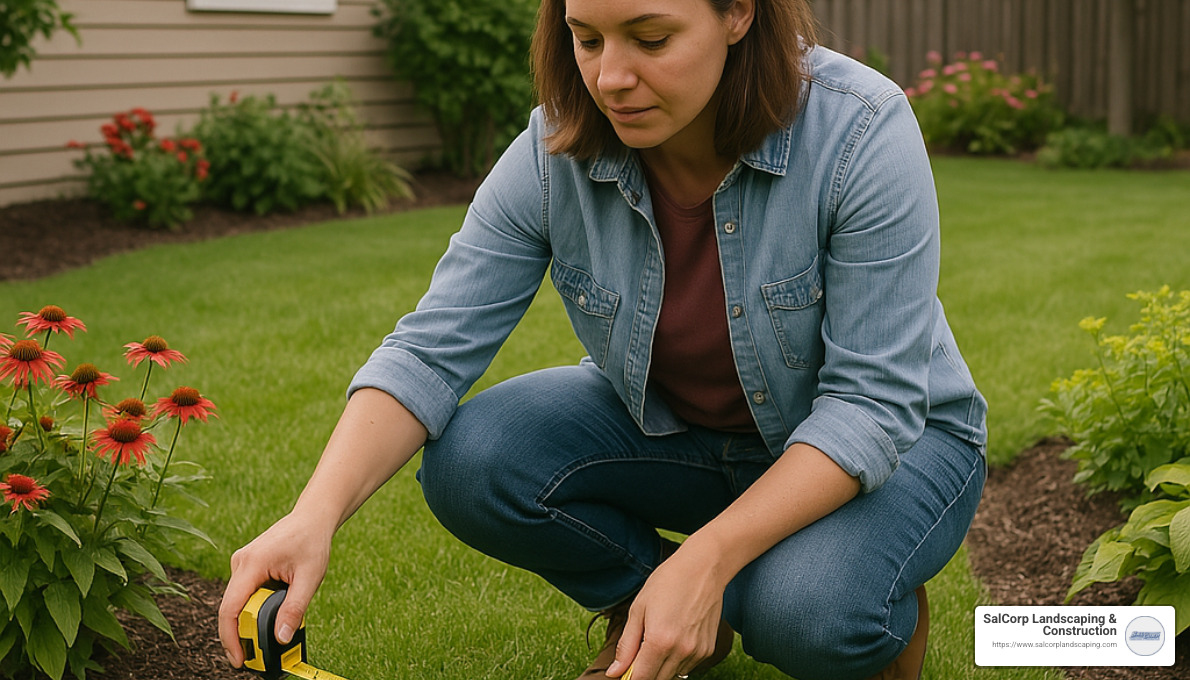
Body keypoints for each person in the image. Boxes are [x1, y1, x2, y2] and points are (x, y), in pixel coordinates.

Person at [218, 0, 988, 678]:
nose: (609, 77)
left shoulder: (860, 127)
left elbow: (871, 405)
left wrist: (707, 559)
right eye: (586, 38)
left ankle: (861, 603)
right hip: (681, 431)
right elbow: (430, 348)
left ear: (738, 13)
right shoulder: (556, 147)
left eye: (650, 40)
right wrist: (312, 514)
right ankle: (674, 609)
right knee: (472, 459)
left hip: (898, 444)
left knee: (803, 612)